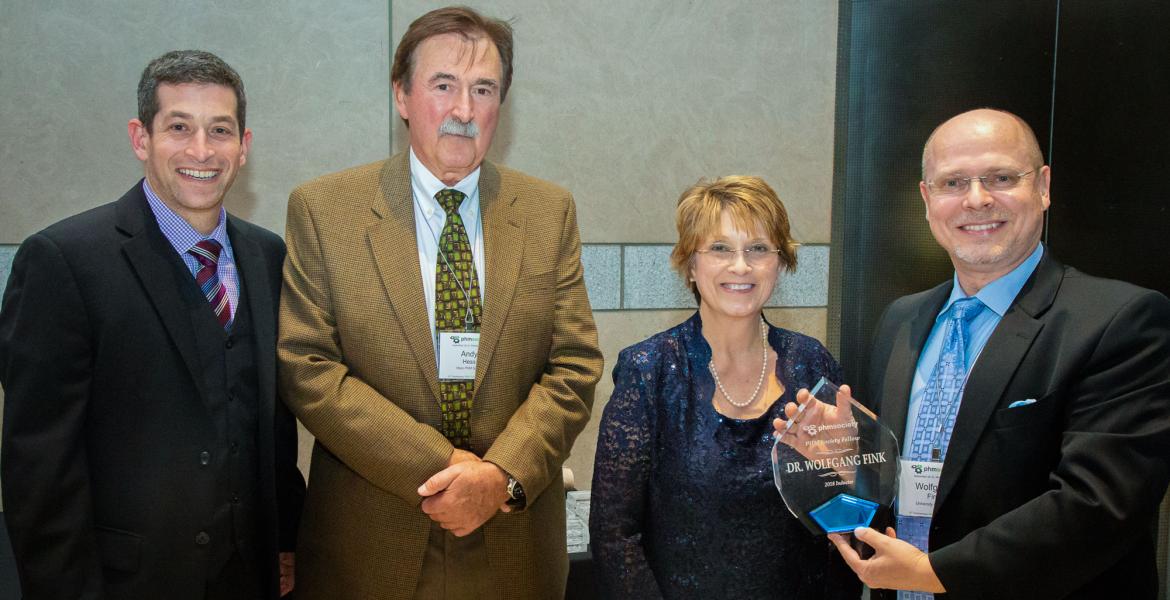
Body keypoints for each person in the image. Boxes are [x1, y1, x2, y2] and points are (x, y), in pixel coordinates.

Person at [277, 6, 603, 599]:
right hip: (370, 544)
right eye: (443, 85)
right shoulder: (325, 210)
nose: (463, 109)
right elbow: (309, 370)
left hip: (513, 541)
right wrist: (445, 469)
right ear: (401, 95)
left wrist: (499, 478)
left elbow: (575, 365)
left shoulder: (547, 210)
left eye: (483, 89)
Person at [812, 108, 1170, 599]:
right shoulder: (901, 320)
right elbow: (899, 483)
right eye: (953, 182)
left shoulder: (1122, 321)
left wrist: (935, 575)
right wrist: (847, 463)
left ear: (1043, 187)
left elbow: (1099, 506)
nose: (976, 200)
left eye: (1001, 177)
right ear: (927, 199)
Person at [0, 50, 305, 599]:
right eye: (179, 127)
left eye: (220, 130)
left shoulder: (267, 256)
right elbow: (39, 465)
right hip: (126, 581)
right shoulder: (63, 260)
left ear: (244, 146)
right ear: (141, 138)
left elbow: (273, 422)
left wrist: (285, 539)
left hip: (249, 577)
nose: (201, 150)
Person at [590, 176, 859, 599]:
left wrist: (850, 476)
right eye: (719, 248)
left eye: (757, 248)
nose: (740, 266)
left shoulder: (813, 365)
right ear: (690, 264)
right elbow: (614, 535)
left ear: (780, 262)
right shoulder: (649, 371)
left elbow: (850, 522)